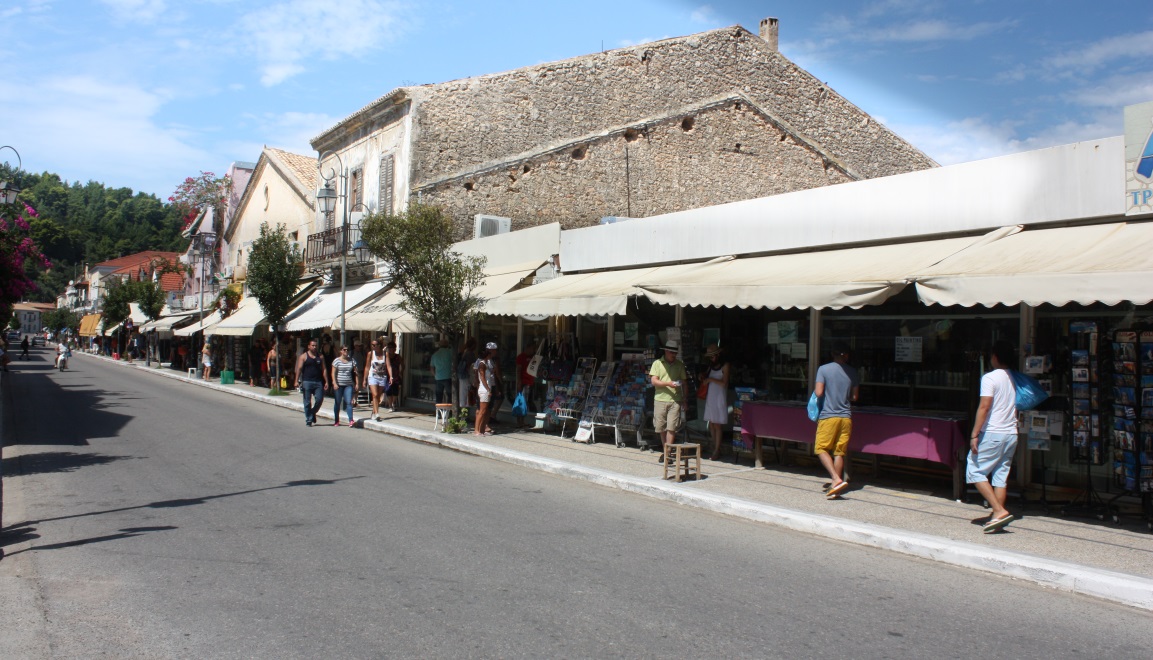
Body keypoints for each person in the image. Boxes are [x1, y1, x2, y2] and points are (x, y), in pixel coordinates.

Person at [967, 340, 1019, 533]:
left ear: (995, 357)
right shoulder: (1013, 377)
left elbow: (984, 406)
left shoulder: (990, 378)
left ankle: (997, 510)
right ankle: (996, 516)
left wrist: (974, 434)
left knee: (974, 470)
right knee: (1000, 476)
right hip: (1011, 433)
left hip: (993, 432)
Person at [813, 342, 860, 500]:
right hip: (846, 417)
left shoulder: (823, 369)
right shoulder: (852, 372)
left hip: (829, 416)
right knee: (839, 452)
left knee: (820, 448)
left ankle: (835, 478)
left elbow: (819, 392)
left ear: (832, 354)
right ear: (845, 356)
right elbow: (854, 397)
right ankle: (836, 487)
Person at [649, 339, 688, 462]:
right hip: (660, 399)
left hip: (675, 400)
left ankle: (667, 453)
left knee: (672, 427)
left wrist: (684, 399)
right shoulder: (657, 363)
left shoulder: (679, 364)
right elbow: (654, 381)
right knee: (661, 427)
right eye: (672, 352)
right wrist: (668, 384)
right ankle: (666, 451)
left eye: (675, 353)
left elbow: (685, 383)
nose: (674, 355)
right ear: (666, 351)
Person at [700, 343, 730, 460]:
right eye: (710, 357)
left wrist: (711, 379)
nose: (711, 359)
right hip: (710, 396)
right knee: (711, 423)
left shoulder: (725, 365)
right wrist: (703, 377)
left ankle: (717, 449)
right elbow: (706, 376)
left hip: (719, 398)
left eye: (712, 356)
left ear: (718, 355)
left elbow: (724, 383)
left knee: (717, 424)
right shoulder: (711, 366)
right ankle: (715, 447)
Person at [295, 338, 329, 427]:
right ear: (309, 346)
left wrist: (326, 381)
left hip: (318, 382)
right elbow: (299, 369)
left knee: (319, 399)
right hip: (307, 381)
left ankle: (312, 412)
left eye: (315, 346)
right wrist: (296, 381)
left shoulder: (320, 356)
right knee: (307, 402)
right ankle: (309, 419)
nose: (314, 347)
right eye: (313, 345)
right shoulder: (303, 356)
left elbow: (324, 369)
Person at [330, 345, 358, 427]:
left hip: (348, 385)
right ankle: (336, 420)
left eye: (347, 350)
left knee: (349, 402)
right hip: (339, 385)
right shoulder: (336, 361)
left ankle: (351, 420)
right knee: (337, 403)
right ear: (340, 351)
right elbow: (333, 373)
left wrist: (356, 383)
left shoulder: (352, 361)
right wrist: (334, 383)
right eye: (344, 350)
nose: (346, 351)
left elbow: (356, 373)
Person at [474, 342, 498, 436]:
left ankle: (482, 428)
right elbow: (481, 377)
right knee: (481, 410)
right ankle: (477, 430)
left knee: (487, 409)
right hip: (484, 389)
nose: (494, 352)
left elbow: (491, 374)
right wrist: (487, 389)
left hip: (489, 387)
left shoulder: (489, 362)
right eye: (492, 351)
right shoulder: (481, 363)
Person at [515, 341, 539, 428]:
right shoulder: (521, 357)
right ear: (527, 348)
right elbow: (518, 370)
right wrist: (519, 381)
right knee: (521, 401)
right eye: (532, 349)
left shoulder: (533, 357)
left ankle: (523, 421)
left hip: (530, 382)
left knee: (527, 401)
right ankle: (520, 421)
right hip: (523, 382)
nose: (533, 351)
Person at [367, 338, 389, 421]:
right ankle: (376, 413)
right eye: (372, 345)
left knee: (378, 396)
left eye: (374, 345)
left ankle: (373, 412)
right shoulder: (370, 354)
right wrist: (364, 379)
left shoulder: (385, 354)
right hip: (372, 376)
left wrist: (391, 376)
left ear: (379, 346)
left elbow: (388, 366)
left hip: (382, 377)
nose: (372, 346)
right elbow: (367, 367)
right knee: (375, 395)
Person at [430, 338, 454, 404]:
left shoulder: (435, 355)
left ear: (439, 346)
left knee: (438, 396)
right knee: (450, 395)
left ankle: (438, 412)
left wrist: (435, 375)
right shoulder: (450, 352)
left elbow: (431, 368)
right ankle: (449, 411)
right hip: (448, 377)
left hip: (438, 378)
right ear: (447, 345)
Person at [457, 337, 477, 410]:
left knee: (465, 394)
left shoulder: (466, 353)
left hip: (464, 376)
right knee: (465, 394)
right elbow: (469, 366)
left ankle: (465, 413)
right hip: (466, 376)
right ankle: (464, 414)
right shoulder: (469, 354)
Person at [384, 340, 404, 412]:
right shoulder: (386, 356)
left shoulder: (398, 356)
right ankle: (390, 405)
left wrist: (400, 373)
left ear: (395, 349)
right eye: (389, 348)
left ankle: (393, 403)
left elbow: (403, 365)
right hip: (387, 375)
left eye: (392, 348)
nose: (391, 349)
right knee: (388, 390)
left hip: (396, 375)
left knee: (395, 391)